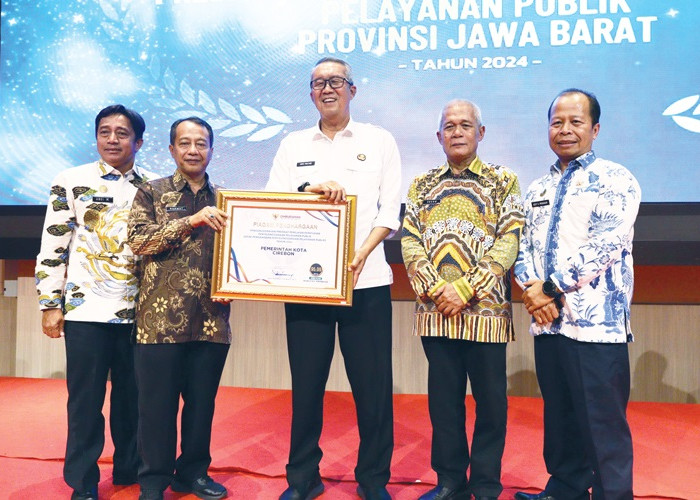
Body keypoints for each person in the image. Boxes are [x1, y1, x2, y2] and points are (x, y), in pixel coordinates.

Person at [265, 57, 401, 500]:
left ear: (352, 90)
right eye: (319, 83)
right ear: (311, 93)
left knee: (373, 390)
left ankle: (373, 480)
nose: (328, 89)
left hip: (367, 282)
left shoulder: (379, 141)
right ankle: (302, 478)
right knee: (306, 387)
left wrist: (363, 252)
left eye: (336, 81)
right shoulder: (292, 145)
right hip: (307, 287)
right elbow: (271, 202)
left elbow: (389, 209)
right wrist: (307, 191)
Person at [514, 89, 641, 500]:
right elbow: (523, 249)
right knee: (561, 418)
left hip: (596, 329)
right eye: (557, 122)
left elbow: (605, 245)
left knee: (602, 425)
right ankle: (565, 488)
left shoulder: (615, 179)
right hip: (549, 324)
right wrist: (534, 292)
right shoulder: (536, 187)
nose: (565, 130)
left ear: (595, 128)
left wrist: (549, 288)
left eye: (576, 122)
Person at [401, 100, 524, 500]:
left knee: (491, 406)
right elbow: (409, 239)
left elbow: (509, 239)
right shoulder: (421, 184)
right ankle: (450, 482)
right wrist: (439, 290)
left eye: (465, 125)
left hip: (484, 314)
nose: (457, 132)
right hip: (437, 314)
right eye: (449, 126)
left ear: (480, 133)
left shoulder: (503, 180)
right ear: (439, 136)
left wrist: (466, 289)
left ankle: (486, 485)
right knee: (444, 407)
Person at [35, 104, 154, 499]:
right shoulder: (71, 180)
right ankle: (83, 481)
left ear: (138, 141)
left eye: (122, 133)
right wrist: (50, 303)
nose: (113, 139)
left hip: (140, 311)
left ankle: (128, 469)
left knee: (132, 397)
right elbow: (53, 244)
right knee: (85, 401)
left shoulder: (153, 186)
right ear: (96, 137)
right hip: (85, 310)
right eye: (105, 132)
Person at [127, 117, 231, 500]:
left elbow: (242, 253)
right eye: (184, 143)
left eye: (201, 143)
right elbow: (139, 241)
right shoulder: (150, 193)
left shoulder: (227, 200)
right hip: (158, 321)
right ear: (171, 149)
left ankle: (193, 474)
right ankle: (153, 481)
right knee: (156, 408)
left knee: (201, 405)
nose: (193, 150)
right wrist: (190, 221)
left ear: (211, 150)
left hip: (211, 321)